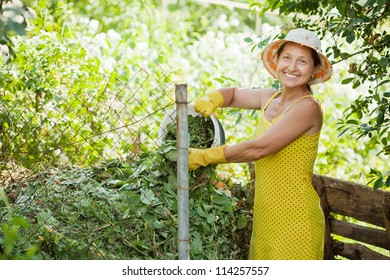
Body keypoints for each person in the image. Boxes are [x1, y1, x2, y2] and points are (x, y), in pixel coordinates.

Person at [188, 28, 333, 260]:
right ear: (276, 61)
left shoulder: (308, 108)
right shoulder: (270, 98)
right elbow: (234, 94)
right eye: (287, 58)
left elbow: (259, 148)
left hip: (297, 221)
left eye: (302, 61)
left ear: (314, 69)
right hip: (266, 219)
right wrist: (213, 97)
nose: (292, 67)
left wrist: (205, 156)